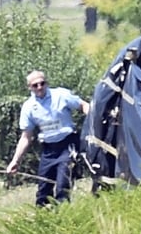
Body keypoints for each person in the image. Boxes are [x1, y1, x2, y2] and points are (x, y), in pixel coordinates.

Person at [7, 70, 90, 206]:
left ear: (47, 83)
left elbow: (83, 105)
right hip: (49, 150)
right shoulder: (28, 107)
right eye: (35, 85)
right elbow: (26, 137)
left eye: (42, 83)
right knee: (43, 190)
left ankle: (64, 214)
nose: (39, 87)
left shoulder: (61, 95)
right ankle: (44, 214)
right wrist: (15, 161)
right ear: (29, 87)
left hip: (67, 145)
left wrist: (93, 121)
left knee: (63, 185)